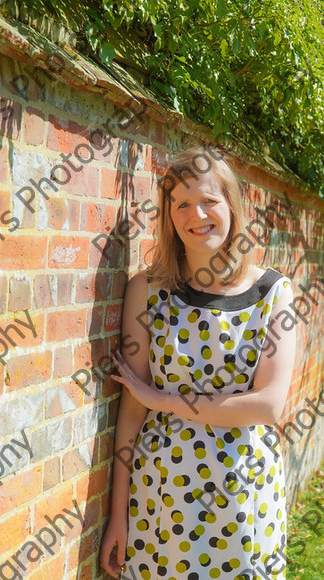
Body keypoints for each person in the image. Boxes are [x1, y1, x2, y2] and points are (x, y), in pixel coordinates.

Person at [99, 145, 296, 580]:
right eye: (182, 204)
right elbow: (131, 410)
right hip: (161, 498)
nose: (196, 214)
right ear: (169, 215)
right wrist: (118, 515)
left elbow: (267, 406)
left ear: (231, 205)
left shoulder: (273, 293)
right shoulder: (146, 291)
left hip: (245, 499)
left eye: (209, 200)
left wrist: (163, 399)